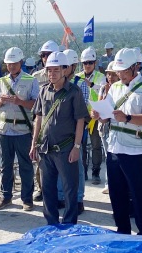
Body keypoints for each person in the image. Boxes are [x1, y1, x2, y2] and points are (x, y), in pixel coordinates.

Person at [91, 47, 142, 235]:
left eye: (124, 71)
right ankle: (122, 231)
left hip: (135, 150)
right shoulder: (115, 87)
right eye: (118, 71)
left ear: (135, 68)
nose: (120, 75)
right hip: (114, 148)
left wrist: (127, 118)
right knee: (116, 194)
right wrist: (99, 115)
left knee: (139, 196)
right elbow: (108, 114)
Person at [30, 51, 86, 224]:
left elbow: (80, 121)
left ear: (65, 70)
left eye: (55, 70)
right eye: (49, 70)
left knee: (70, 189)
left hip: (66, 148)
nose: (51, 74)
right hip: (46, 148)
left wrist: (76, 147)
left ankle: (69, 223)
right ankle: (51, 222)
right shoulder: (44, 91)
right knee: (47, 188)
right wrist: (34, 144)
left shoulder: (74, 92)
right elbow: (38, 118)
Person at [0, 47, 39, 211]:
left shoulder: (31, 80)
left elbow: (36, 105)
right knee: (6, 165)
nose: (11, 67)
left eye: (14, 63)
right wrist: (1, 102)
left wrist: (20, 102)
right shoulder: (1, 82)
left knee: (25, 165)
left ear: (21, 63)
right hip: (4, 129)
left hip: (22, 129)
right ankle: (6, 197)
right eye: (9, 64)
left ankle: (27, 199)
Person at [31, 39, 60, 201]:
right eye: (43, 55)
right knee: (40, 159)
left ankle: (59, 192)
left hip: (59, 124)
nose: (45, 58)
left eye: (48, 55)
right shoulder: (36, 77)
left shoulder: (64, 75)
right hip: (41, 123)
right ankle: (41, 188)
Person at [60, 48, 86, 213]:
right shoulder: (56, 85)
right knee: (60, 167)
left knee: (77, 167)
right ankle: (61, 196)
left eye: (66, 66)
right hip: (61, 133)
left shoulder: (80, 84)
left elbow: (82, 114)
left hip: (75, 132)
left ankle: (78, 198)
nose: (63, 69)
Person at [76, 47, 105, 184]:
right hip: (82, 115)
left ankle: (96, 171)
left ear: (95, 63)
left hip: (95, 115)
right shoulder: (78, 77)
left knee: (95, 145)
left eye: (90, 62)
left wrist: (91, 84)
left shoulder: (100, 77)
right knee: (80, 144)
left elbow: (104, 89)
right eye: (85, 63)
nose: (87, 65)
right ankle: (82, 170)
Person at [97, 61, 120, 194]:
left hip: (116, 126)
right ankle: (108, 183)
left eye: (112, 74)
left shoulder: (120, 89)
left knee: (116, 157)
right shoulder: (103, 88)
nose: (110, 77)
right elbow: (101, 105)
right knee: (108, 156)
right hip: (105, 126)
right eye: (108, 74)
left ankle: (115, 184)